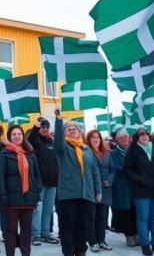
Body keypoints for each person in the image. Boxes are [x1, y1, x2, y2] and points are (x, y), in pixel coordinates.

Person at [53, 106, 102, 256]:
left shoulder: (86, 150)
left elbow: (94, 172)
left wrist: (98, 190)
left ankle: (81, 251)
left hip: (86, 195)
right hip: (68, 195)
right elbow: (59, 141)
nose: (72, 130)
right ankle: (68, 252)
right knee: (68, 227)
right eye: (69, 129)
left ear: (80, 132)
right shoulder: (62, 148)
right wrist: (59, 119)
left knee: (83, 227)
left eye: (75, 128)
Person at [123, 127, 154, 255]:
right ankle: (145, 244)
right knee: (143, 218)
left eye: (146, 134)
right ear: (137, 137)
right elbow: (127, 169)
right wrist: (139, 180)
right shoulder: (134, 150)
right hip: (141, 190)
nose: (144, 136)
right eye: (141, 135)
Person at [0, 125, 42, 256]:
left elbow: (37, 175)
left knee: (26, 230)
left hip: (29, 197)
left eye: (19, 134)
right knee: (10, 229)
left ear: (23, 136)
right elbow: (0, 176)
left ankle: (26, 254)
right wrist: (3, 195)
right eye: (14, 134)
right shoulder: (5, 152)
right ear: (10, 137)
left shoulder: (30, 153)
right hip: (11, 198)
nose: (17, 136)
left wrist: (37, 190)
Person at [27, 117, 59, 247]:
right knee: (37, 209)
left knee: (48, 209)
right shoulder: (35, 141)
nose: (45, 129)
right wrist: (36, 125)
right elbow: (31, 137)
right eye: (43, 127)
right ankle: (35, 234)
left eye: (47, 127)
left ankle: (45, 233)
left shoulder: (52, 142)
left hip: (52, 182)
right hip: (39, 182)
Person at [86, 129, 113, 252]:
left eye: (97, 137)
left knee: (102, 217)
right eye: (93, 137)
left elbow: (113, 170)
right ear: (88, 140)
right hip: (91, 189)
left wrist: (110, 180)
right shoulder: (86, 153)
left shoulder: (107, 153)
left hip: (105, 189)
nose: (96, 139)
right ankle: (92, 242)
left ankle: (101, 240)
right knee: (91, 216)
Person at [110, 129, 138, 247]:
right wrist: (128, 169)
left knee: (136, 210)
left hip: (135, 185)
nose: (124, 139)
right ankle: (129, 235)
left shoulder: (134, 151)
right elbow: (116, 168)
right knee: (126, 212)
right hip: (122, 186)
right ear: (117, 140)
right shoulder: (113, 153)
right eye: (121, 138)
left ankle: (136, 234)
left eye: (126, 137)